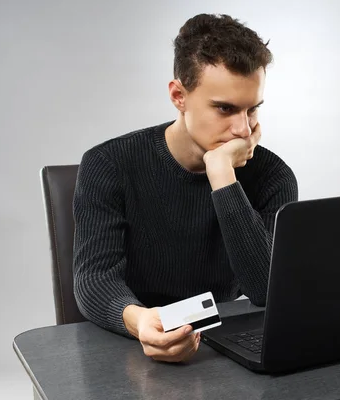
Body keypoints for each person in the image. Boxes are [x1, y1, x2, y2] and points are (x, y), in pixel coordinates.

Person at [72, 13, 298, 363]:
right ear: (179, 95)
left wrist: (222, 174)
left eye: (252, 109)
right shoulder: (109, 164)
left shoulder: (273, 176)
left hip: (221, 340)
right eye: (225, 108)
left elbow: (264, 290)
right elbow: (94, 279)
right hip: (132, 338)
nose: (242, 129)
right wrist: (141, 320)